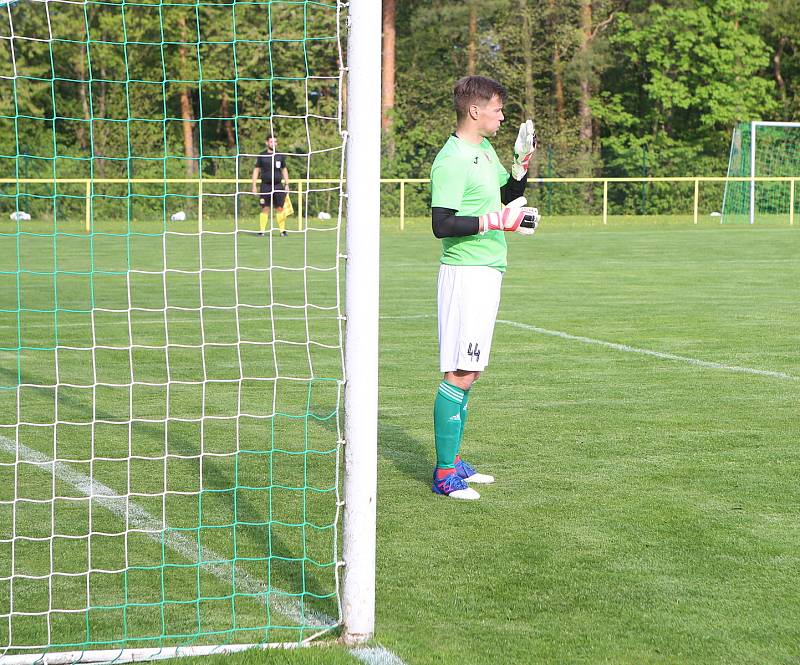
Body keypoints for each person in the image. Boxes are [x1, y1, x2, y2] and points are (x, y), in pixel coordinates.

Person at [429, 75, 539, 500]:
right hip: (465, 274)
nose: (502, 116)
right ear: (475, 111)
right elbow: (442, 224)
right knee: (459, 371)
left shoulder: (485, 150)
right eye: (497, 109)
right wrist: (495, 221)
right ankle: (443, 475)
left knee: (471, 371)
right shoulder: (452, 158)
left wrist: (521, 166)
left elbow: (505, 194)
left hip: (488, 269)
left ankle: (453, 460)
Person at [251, 136, 290, 236]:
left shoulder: (279, 156)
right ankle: (262, 231)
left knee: (280, 208)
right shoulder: (262, 155)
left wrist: (287, 184)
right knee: (265, 208)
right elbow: (256, 170)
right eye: (271, 141)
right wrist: (254, 185)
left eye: (275, 142)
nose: (274, 143)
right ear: (267, 143)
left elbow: (284, 169)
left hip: (278, 185)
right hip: (265, 186)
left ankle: (282, 231)